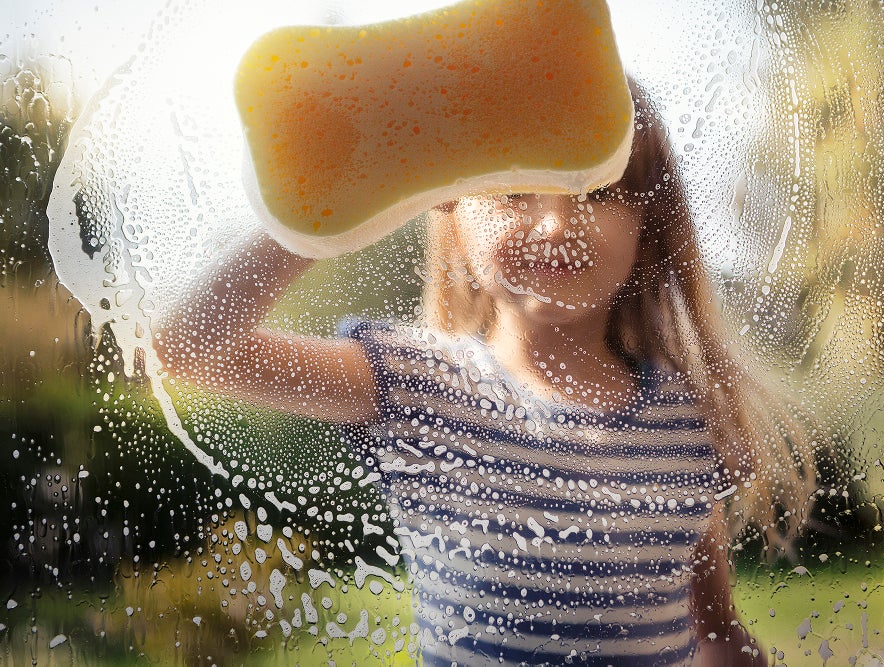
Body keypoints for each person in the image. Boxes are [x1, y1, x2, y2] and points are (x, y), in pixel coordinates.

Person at [155, 79, 816, 665]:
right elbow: (187, 349)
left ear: (649, 221)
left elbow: (717, 632)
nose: (556, 221)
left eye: (600, 186)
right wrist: (323, 212)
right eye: (513, 185)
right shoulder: (419, 387)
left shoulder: (687, 418)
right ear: (450, 211)